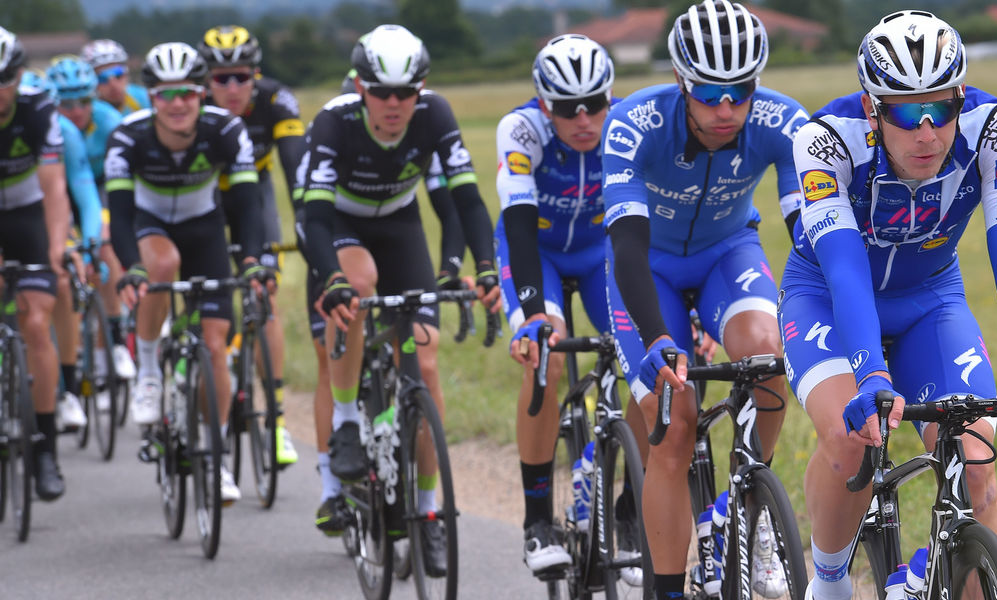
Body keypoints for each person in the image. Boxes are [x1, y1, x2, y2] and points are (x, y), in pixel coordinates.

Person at [780, 10, 997, 599]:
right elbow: (846, 271)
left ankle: (932, 569)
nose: (929, 132)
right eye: (908, 113)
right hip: (827, 298)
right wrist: (872, 373)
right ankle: (830, 582)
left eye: (943, 108)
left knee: (977, 466)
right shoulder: (825, 138)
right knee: (851, 437)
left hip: (930, 298)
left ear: (962, 97)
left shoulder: (994, 128)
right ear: (871, 108)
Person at [601, 1, 809, 598]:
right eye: (710, 93)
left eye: (740, 92)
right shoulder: (633, 124)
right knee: (673, 425)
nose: (726, 109)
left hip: (728, 253)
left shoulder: (782, 121)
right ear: (680, 81)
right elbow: (628, 248)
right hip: (649, 267)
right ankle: (668, 587)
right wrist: (657, 337)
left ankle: (745, 511)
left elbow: (809, 235)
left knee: (770, 353)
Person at [300, 24, 500, 573]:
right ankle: (345, 420)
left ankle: (431, 515)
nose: (393, 104)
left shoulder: (435, 116)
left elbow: (465, 199)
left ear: (421, 89)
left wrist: (483, 267)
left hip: (399, 224)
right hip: (336, 225)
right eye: (381, 92)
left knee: (426, 367)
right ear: (361, 88)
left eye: (404, 93)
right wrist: (331, 278)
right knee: (358, 284)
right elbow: (313, 215)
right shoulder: (334, 122)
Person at [106, 41, 268, 505]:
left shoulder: (226, 130)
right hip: (148, 222)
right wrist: (130, 266)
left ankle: (216, 459)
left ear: (202, 94)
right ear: (150, 96)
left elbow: (247, 203)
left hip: (205, 228)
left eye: (188, 94)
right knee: (160, 265)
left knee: (215, 346)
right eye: (165, 95)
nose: (177, 105)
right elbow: (118, 212)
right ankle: (150, 369)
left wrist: (252, 261)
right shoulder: (128, 136)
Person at [495, 34, 631, 577]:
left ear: (610, 96)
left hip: (600, 251)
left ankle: (628, 513)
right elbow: (520, 232)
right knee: (547, 356)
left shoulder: (627, 124)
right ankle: (536, 523)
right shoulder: (520, 130)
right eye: (565, 109)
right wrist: (532, 316)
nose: (582, 120)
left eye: (594, 104)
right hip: (539, 252)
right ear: (541, 102)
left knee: (647, 357)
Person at [199, 24, 306, 466]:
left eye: (241, 76)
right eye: (221, 79)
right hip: (201, 193)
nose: (232, 88)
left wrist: (306, 223)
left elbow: (297, 169)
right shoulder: (192, 107)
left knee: (264, 294)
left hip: (252, 193)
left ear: (256, 75)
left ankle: (276, 421)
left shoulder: (277, 100)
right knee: (204, 296)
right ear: (205, 81)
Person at [0, 27, 72, 500]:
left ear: (19, 76)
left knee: (37, 318)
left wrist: (55, 249)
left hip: (28, 214)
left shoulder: (39, 109)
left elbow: (54, 189)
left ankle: (45, 446)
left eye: (2, 79)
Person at [45, 56, 134, 427]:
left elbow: (93, 195)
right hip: (54, 193)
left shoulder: (110, 122)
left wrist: (95, 239)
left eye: (84, 100)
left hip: (98, 190)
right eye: (67, 103)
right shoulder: (54, 129)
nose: (77, 110)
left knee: (108, 244)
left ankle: (114, 339)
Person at [80, 39, 150, 116]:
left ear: (127, 73)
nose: (113, 84)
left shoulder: (144, 98)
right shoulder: (84, 111)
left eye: (118, 74)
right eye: (102, 78)